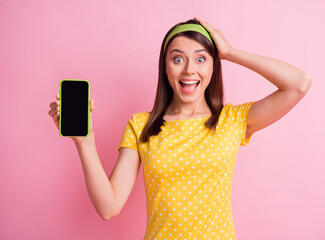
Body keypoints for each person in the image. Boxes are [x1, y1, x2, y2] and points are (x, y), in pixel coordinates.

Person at [48, 17, 311, 239]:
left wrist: (229, 52)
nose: (189, 70)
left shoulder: (232, 120)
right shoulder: (141, 125)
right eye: (177, 59)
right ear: (165, 66)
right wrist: (85, 141)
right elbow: (109, 207)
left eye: (200, 59)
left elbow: (299, 83)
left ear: (213, 65)